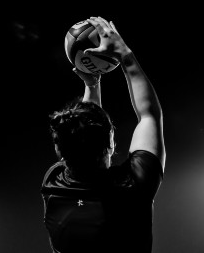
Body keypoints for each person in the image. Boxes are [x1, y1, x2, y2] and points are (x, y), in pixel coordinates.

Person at [41, 16, 165, 253]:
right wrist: (125, 54)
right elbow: (149, 115)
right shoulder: (134, 187)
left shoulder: (53, 185)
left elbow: (147, 117)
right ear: (111, 143)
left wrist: (92, 85)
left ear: (60, 151)